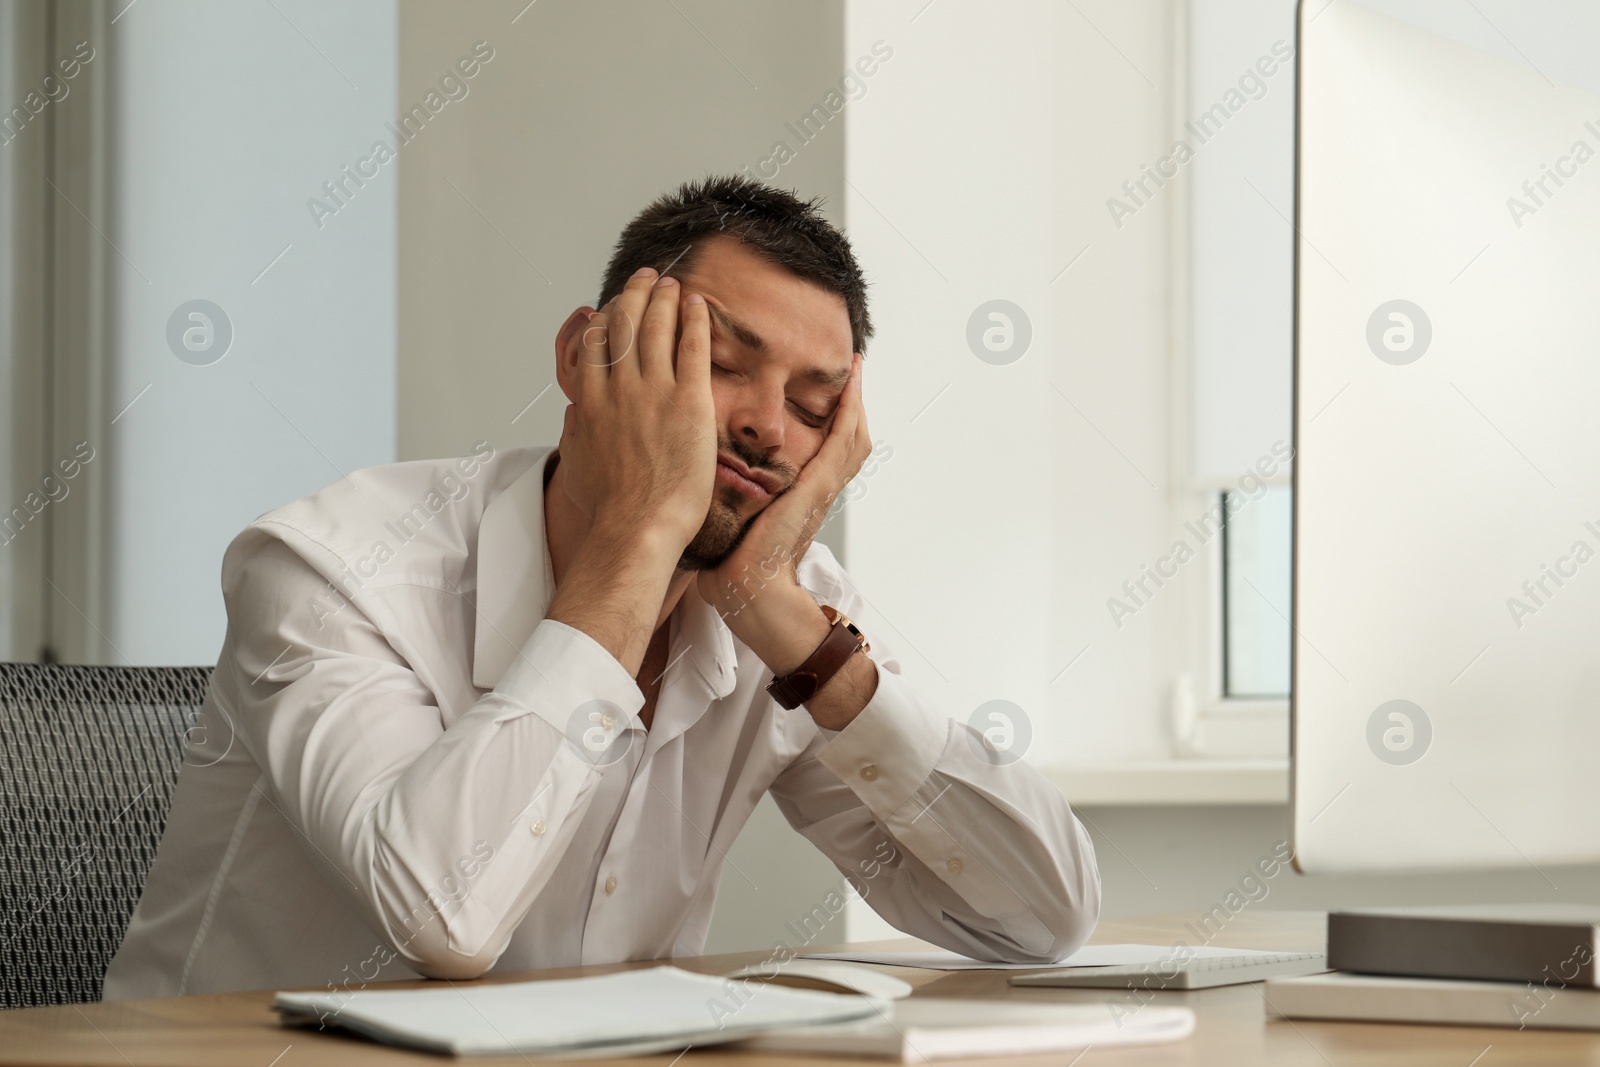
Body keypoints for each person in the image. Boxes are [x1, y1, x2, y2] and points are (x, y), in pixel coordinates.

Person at [104, 175, 1100, 998]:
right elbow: (441, 919)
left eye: (812, 406)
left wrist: (804, 638)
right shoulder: (334, 566)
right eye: (720, 362)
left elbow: (1040, 918)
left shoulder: (777, 609)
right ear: (586, 356)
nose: (764, 426)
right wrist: (637, 533)